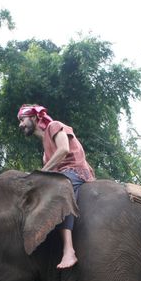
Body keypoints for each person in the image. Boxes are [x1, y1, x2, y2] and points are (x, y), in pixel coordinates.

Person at [18, 104, 95, 268]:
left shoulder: (54, 126)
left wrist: (43, 172)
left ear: (33, 117)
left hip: (75, 172)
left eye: (22, 119)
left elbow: (64, 150)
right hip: (61, 176)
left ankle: (69, 250)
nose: (20, 124)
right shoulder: (45, 151)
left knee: (58, 191)